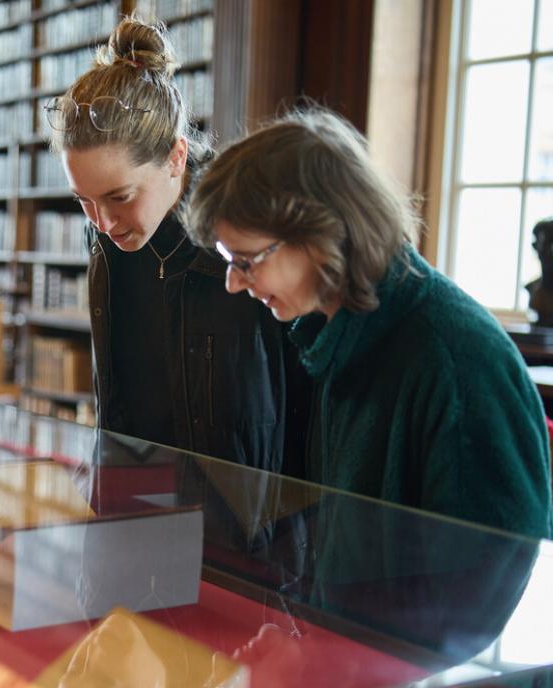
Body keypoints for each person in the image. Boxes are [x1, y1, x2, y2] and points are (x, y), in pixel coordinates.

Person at [185, 108, 552, 539]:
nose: (232, 283)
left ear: (322, 234)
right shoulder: (337, 333)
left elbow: (500, 572)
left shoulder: (456, 361)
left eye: (246, 261)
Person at [45, 17, 307, 472]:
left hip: (238, 527)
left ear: (176, 156)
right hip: (131, 505)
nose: (103, 223)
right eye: (83, 200)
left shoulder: (250, 230)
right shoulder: (107, 237)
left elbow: (306, 396)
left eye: (119, 197)